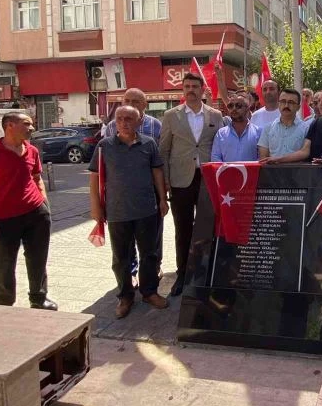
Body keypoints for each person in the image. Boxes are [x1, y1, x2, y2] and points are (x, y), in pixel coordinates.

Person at [0, 112, 56, 310]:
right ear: (10, 125)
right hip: (3, 219)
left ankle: (39, 298)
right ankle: (3, 305)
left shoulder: (32, 150)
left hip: (35, 214)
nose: (32, 128)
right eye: (27, 124)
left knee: (38, 258)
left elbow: (36, 178)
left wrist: (45, 205)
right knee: (3, 265)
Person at [90, 106, 169, 318]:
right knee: (121, 258)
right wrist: (96, 207)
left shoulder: (149, 144)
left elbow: (157, 172)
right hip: (117, 211)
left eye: (129, 119)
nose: (124, 123)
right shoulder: (104, 146)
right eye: (120, 118)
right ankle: (125, 296)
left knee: (150, 254)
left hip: (146, 209)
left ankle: (149, 292)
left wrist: (162, 199)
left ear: (138, 122)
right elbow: (95, 178)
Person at [159, 73, 225, 296]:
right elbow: (164, 150)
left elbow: (221, 143)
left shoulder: (215, 115)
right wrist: (166, 180)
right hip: (181, 180)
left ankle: (205, 271)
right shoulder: (171, 116)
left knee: (207, 226)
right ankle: (183, 273)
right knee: (183, 229)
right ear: (183, 90)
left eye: (194, 86)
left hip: (207, 178)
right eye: (186, 86)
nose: (190, 90)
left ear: (202, 89)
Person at [104, 87, 164, 283]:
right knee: (124, 242)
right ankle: (130, 273)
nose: (130, 104)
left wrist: (163, 194)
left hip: (149, 191)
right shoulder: (112, 127)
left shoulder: (156, 126)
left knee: (152, 236)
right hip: (121, 195)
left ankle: (154, 268)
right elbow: (104, 165)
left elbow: (159, 162)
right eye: (126, 100)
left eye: (136, 101)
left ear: (145, 105)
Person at [268, 86, 322, 163]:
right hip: (314, 175)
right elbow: (304, 152)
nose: (320, 104)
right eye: (318, 101)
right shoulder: (316, 123)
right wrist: (279, 159)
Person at [258, 89, 310, 160]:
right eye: (283, 101)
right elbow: (263, 157)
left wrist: (279, 160)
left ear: (298, 107)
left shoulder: (306, 129)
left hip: (297, 171)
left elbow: (305, 153)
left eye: (291, 102)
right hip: (272, 170)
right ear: (278, 104)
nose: (286, 105)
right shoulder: (268, 128)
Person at [211, 93, 261, 162]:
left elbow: (261, 159)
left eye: (238, 106)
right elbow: (215, 158)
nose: (234, 108)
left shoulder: (258, 132)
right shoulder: (220, 133)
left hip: (251, 172)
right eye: (230, 106)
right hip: (226, 172)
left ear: (247, 108)